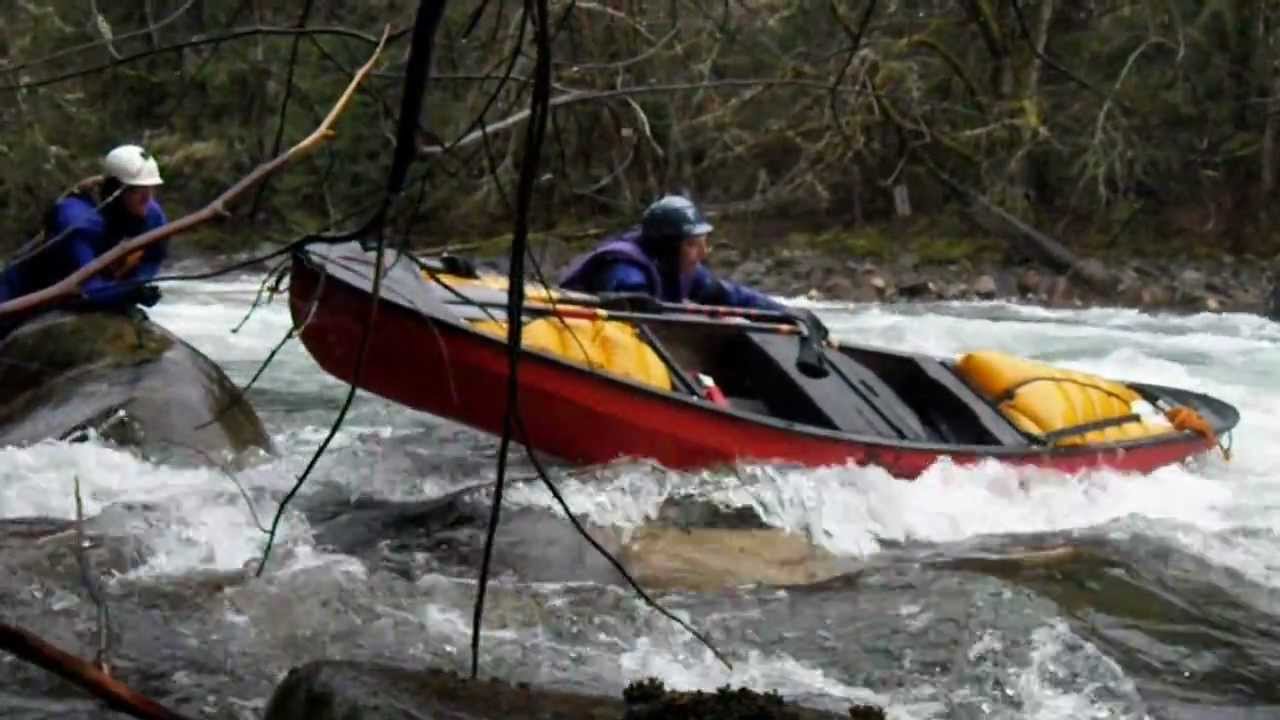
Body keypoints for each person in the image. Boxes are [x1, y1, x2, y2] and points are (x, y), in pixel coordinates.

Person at [0, 144, 168, 312]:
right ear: (114, 190)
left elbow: (152, 257)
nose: (147, 198)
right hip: (19, 294)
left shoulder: (153, 217)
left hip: (87, 290)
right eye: (138, 190)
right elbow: (86, 289)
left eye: (151, 189)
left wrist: (139, 283)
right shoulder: (78, 221)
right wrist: (129, 293)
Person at [558, 194, 784, 311]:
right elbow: (636, 317)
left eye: (703, 244)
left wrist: (789, 314)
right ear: (666, 247)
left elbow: (732, 296)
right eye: (693, 245)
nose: (703, 254)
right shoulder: (626, 271)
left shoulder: (681, 268)